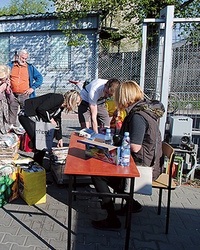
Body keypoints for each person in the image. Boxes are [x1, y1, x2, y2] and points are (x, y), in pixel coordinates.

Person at [91, 80, 164, 231]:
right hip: (148, 163)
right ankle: (132, 204)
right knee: (104, 161)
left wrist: (116, 144)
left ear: (124, 97)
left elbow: (135, 147)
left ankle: (112, 218)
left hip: (142, 168)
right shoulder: (144, 110)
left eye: (117, 97)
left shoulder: (137, 116)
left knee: (98, 174)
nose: (115, 100)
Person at [18, 90, 81, 166]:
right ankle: (37, 164)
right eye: (76, 103)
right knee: (39, 141)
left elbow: (58, 121)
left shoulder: (60, 107)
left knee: (42, 143)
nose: (76, 106)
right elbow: (41, 109)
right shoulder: (58, 98)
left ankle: (37, 164)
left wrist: (59, 138)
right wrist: (51, 119)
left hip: (33, 118)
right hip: (26, 116)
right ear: (72, 100)